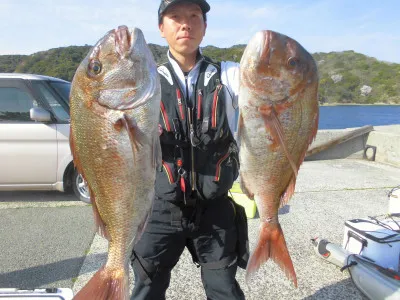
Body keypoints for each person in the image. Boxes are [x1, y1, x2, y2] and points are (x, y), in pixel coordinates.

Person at [130, 0, 249, 299]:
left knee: (225, 289)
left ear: (205, 27)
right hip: (160, 207)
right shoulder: (143, 82)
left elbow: (266, 91)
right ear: (162, 27)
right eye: (176, 17)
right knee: (146, 287)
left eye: (195, 16)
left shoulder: (231, 76)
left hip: (215, 207)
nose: (186, 24)